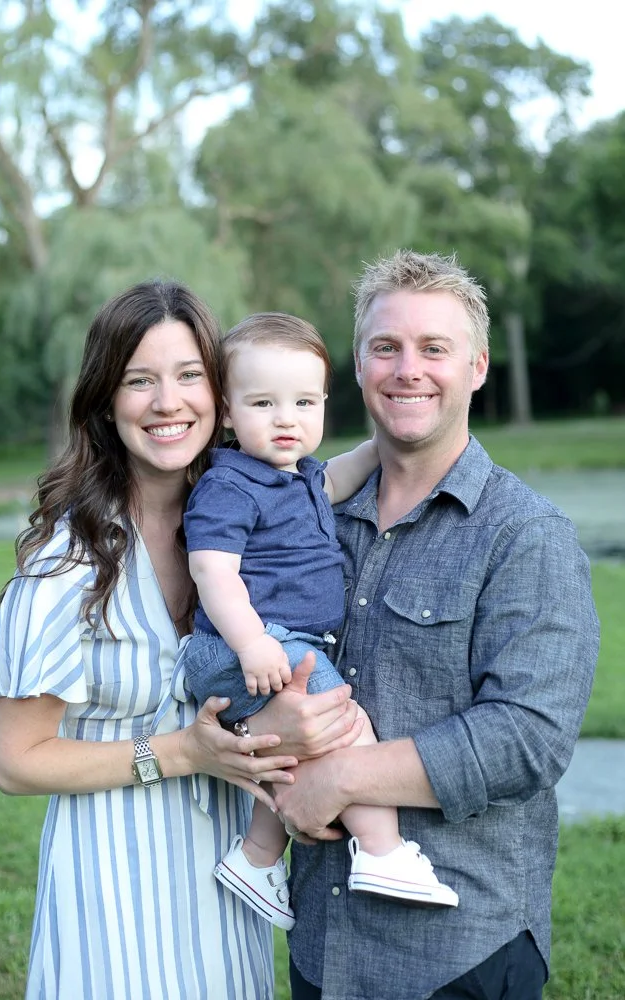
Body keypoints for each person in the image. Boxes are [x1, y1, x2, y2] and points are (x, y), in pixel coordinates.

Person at [0, 280, 359, 1000]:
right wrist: (181, 753)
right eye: (137, 381)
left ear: (223, 394)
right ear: (104, 401)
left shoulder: (245, 524)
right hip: (115, 890)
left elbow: (334, 478)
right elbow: (15, 763)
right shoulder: (71, 562)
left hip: (229, 878)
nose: (168, 402)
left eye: (188, 377)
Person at [270, 250, 600, 1000]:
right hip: (322, 943)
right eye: (385, 347)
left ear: (477, 367)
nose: (406, 369)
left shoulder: (525, 536)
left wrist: (341, 776)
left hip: (459, 952)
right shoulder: (311, 525)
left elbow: (526, 738)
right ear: (357, 365)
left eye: (433, 349)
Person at [177, 312, 458, 933]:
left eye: (304, 402)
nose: (286, 418)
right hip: (246, 643)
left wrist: (384, 444)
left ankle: (256, 860)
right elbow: (212, 571)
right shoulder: (230, 485)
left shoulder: (298, 476)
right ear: (226, 412)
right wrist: (251, 643)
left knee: (291, 750)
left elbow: (337, 476)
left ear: (324, 404)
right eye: (264, 403)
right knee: (345, 726)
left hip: (281, 643)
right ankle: (384, 853)